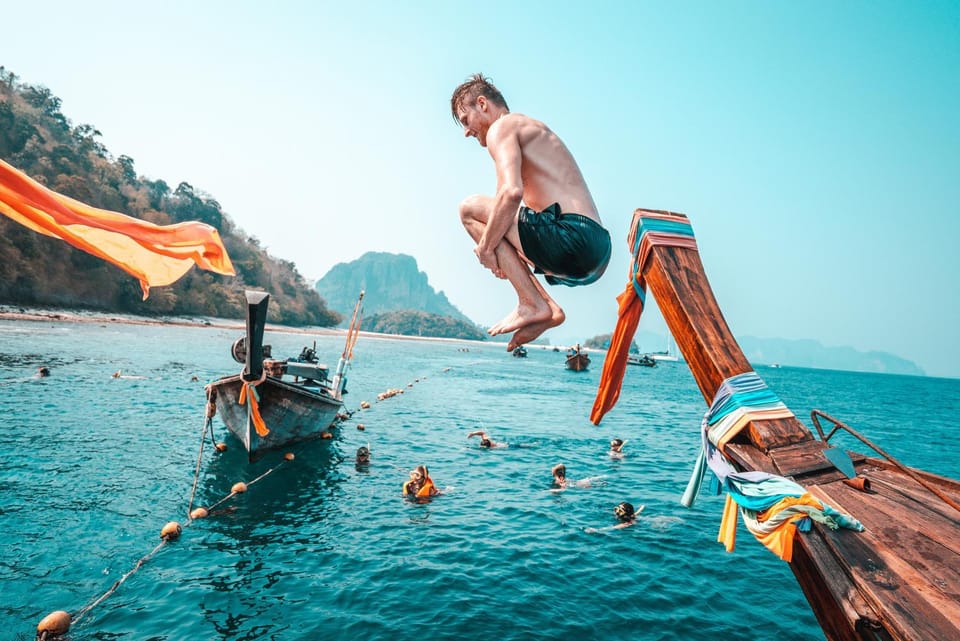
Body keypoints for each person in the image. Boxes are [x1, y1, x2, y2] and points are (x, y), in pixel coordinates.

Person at [451, 73, 611, 351]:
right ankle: (543, 306)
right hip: (594, 254)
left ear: (482, 104)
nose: (466, 131)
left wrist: (487, 249)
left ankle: (533, 303)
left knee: (470, 209)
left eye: (466, 120)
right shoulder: (528, 128)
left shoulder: (503, 128)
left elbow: (510, 193)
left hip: (572, 237)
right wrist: (500, 250)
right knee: (494, 223)